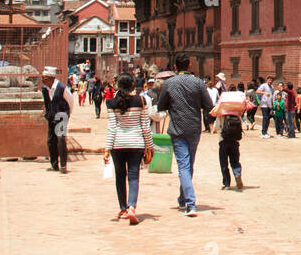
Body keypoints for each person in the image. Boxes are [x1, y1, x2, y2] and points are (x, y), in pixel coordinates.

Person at [154, 56, 214, 217]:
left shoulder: (169, 83)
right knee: (189, 164)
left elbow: (161, 106)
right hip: (194, 128)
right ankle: (183, 198)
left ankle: (190, 203)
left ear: (175, 66)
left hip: (177, 128)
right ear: (189, 65)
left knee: (183, 165)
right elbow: (208, 105)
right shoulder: (198, 83)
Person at [103, 72, 152, 225]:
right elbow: (145, 126)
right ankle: (132, 207)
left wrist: (107, 149)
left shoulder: (111, 103)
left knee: (119, 176)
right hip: (136, 143)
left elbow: (112, 127)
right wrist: (150, 146)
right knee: (133, 176)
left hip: (117, 144)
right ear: (132, 85)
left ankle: (123, 208)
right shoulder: (141, 101)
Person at [212, 82, 246, 191]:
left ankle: (226, 184)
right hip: (235, 140)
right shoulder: (237, 112)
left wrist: (214, 130)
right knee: (235, 161)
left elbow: (216, 127)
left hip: (223, 140)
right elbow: (241, 125)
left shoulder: (222, 112)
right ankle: (237, 173)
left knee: (224, 163)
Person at [40, 68, 71, 173]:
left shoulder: (62, 88)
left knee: (61, 139)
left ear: (51, 78)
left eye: (44, 78)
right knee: (51, 141)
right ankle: (54, 165)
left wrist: (66, 115)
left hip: (61, 116)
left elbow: (70, 102)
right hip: (51, 117)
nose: (42, 80)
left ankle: (63, 165)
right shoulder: (45, 89)